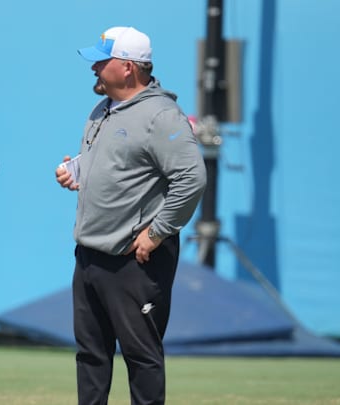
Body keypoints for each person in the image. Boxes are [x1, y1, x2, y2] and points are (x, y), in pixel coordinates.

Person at [55, 26, 207, 405]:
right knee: (91, 357)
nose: (94, 67)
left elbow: (192, 178)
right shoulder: (101, 108)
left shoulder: (162, 116)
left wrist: (157, 232)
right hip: (90, 255)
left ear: (127, 67)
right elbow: (118, 164)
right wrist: (77, 171)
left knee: (141, 359)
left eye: (101, 61)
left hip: (134, 260)